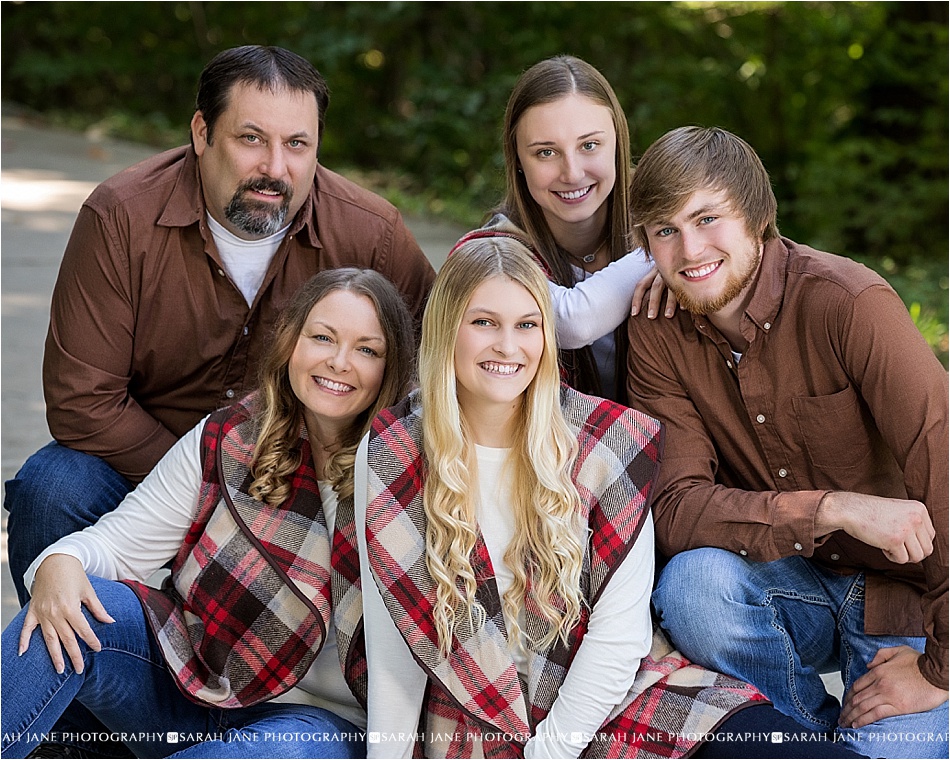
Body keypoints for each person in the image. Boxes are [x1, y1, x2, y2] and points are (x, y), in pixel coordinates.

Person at [354, 237, 861, 759]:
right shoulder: (395, 448)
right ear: (446, 330)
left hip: (614, 697)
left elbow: (619, 639)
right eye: (484, 322)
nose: (508, 346)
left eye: (528, 325)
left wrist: (549, 753)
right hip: (478, 711)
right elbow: (395, 643)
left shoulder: (607, 440)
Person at [4, 44, 436, 606]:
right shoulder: (120, 216)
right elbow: (81, 401)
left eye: (297, 145)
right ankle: (83, 680)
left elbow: (439, 363)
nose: (275, 168)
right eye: (251, 138)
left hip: (298, 490)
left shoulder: (371, 233)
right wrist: (209, 487)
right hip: (143, 465)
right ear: (202, 133)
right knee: (51, 488)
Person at [625, 126, 949, 759]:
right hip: (787, 583)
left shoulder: (849, 303)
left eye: (707, 218)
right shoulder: (659, 331)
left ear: (759, 215)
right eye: (664, 230)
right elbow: (677, 509)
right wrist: (829, 508)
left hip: (903, 602)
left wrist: (940, 672)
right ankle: (810, 739)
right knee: (694, 585)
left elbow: (948, 470)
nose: (689, 250)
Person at [1, 268, 415, 758]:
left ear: (392, 369)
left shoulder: (408, 472)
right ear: (291, 345)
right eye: (322, 337)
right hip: (191, 678)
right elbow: (113, 546)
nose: (339, 361)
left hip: (314, 723)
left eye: (367, 349)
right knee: (60, 613)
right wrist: (59, 564)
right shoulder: (232, 437)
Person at [454, 55, 676, 403]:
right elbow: (572, 322)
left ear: (617, 144)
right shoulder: (490, 252)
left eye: (589, 145)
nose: (571, 172)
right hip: (544, 448)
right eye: (546, 152)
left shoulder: (673, 222)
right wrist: (664, 255)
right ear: (518, 161)